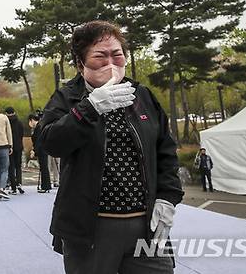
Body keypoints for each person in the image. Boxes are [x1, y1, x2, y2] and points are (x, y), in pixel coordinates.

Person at [38, 20, 183, 274]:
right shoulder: (68, 97)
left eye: (117, 56)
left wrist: (167, 197)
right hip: (90, 229)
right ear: (81, 63)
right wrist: (89, 108)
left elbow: (165, 151)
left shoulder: (142, 96)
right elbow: (49, 142)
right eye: (100, 57)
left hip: (145, 225)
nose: (111, 64)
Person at [5, 107, 25, 195]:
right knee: (18, 166)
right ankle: (19, 183)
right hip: (19, 147)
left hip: (10, 147)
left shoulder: (6, 123)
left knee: (11, 167)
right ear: (14, 112)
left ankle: (13, 187)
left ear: (6, 113)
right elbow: (21, 134)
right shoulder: (20, 123)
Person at [30, 113, 51, 193]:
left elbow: (38, 141)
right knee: (44, 168)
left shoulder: (39, 128)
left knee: (44, 168)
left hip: (42, 149)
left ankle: (45, 186)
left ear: (31, 120)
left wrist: (35, 151)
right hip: (43, 149)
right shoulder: (40, 126)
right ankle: (46, 185)